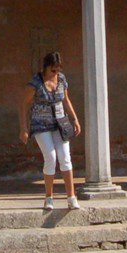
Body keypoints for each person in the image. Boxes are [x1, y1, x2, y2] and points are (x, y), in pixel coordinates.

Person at [18, 52, 82, 210]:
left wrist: (74, 119)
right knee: (51, 157)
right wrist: (23, 128)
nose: (56, 73)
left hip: (60, 123)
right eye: (53, 70)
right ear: (45, 68)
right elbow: (23, 104)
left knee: (65, 157)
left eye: (58, 70)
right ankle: (49, 197)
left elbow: (66, 99)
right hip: (41, 124)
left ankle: (71, 197)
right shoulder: (36, 82)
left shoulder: (61, 79)